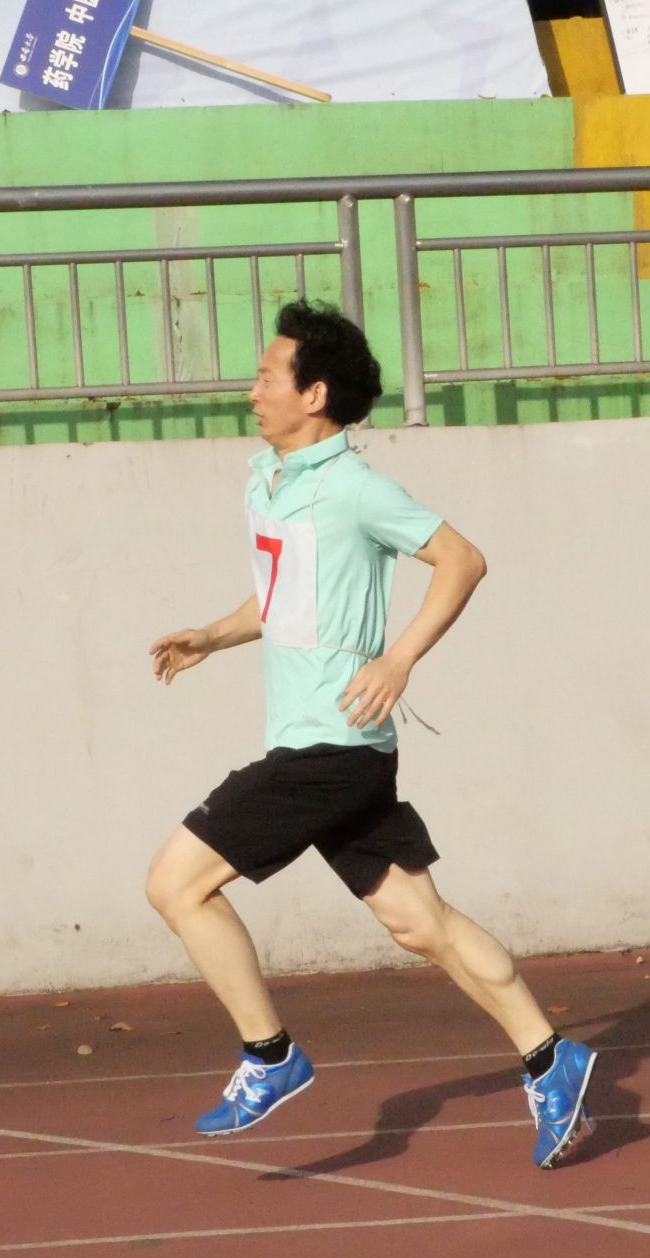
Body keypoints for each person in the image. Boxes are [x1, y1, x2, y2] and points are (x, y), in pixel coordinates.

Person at [144, 300, 596, 1168]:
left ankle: (270, 1055)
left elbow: (463, 559)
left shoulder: (356, 488)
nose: (252, 390)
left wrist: (400, 659)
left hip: (328, 751)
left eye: (267, 377)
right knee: (421, 923)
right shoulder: (269, 480)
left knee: (175, 885)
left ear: (314, 394)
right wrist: (212, 635)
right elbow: (284, 599)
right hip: (338, 748)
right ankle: (551, 1058)